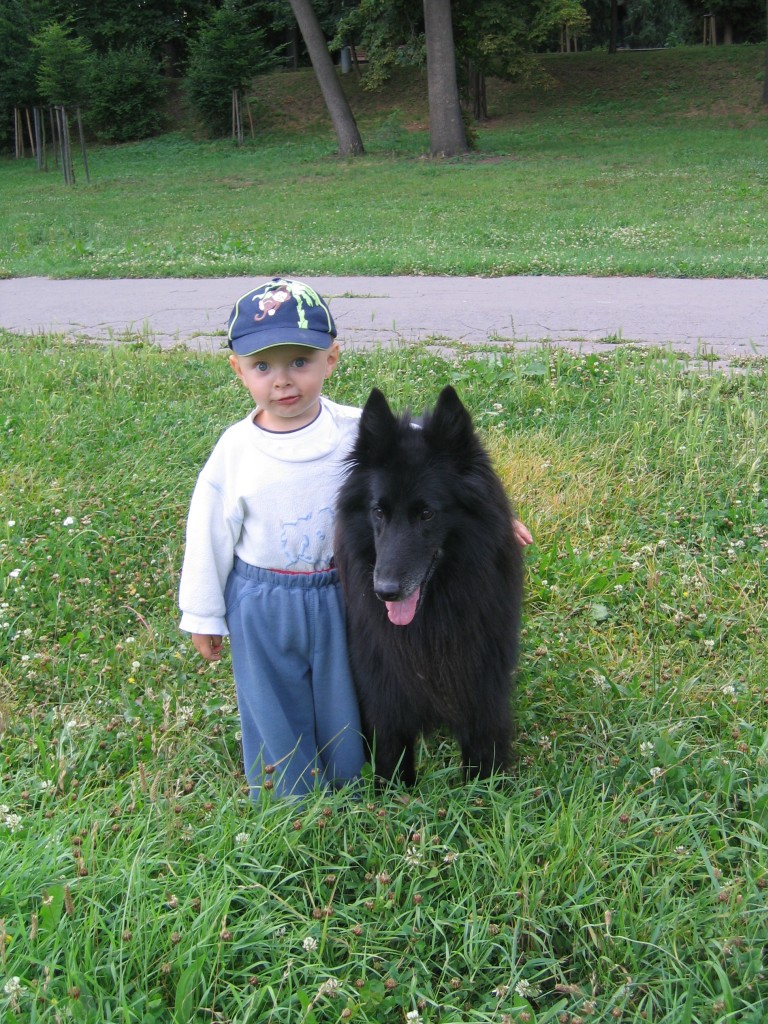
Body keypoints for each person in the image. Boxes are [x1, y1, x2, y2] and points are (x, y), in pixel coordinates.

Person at [179, 276, 533, 800]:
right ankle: (287, 791)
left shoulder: (353, 429)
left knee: (340, 698)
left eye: (300, 362)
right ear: (238, 369)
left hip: (329, 594)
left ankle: (352, 774)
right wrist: (203, 615)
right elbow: (206, 534)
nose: (283, 382)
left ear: (331, 359)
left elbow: (454, 472)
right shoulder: (234, 451)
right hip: (262, 601)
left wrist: (500, 519)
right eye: (263, 367)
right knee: (278, 694)